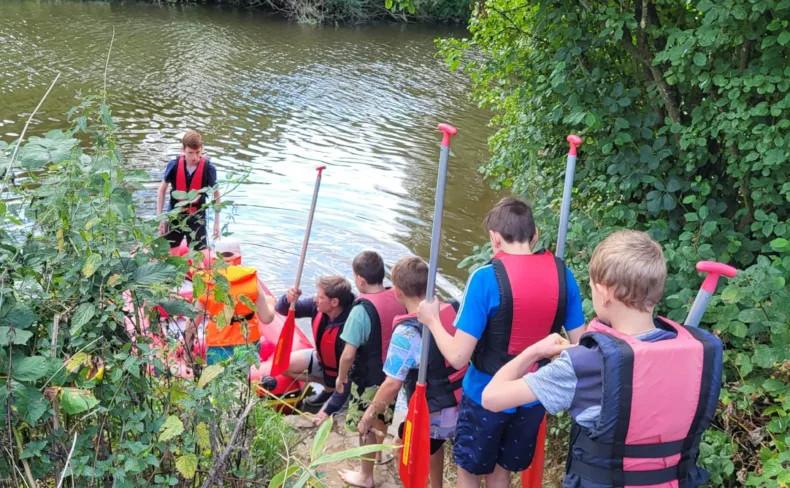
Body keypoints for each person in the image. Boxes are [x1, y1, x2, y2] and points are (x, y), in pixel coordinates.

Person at [482, 230, 724, 487]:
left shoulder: (586, 364)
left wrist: (535, 351)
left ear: (604, 292)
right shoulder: (699, 352)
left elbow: (492, 398)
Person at [417, 197, 586, 488]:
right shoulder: (564, 276)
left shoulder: (484, 278)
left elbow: (458, 357)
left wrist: (432, 320)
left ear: (495, 238)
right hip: (533, 393)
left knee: (469, 470)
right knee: (502, 470)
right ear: (534, 236)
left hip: (486, 395)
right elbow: (581, 348)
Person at [353, 256, 466, 488]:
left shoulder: (407, 332)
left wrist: (368, 416)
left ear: (397, 292)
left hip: (433, 412)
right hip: (463, 404)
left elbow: (392, 385)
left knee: (399, 447)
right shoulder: (453, 308)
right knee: (434, 446)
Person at [333, 251, 406, 484]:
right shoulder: (397, 297)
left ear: (361, 279)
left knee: (364, 425)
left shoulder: (360, 311)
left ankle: (366, 475)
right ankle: (375, 454)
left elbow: (347, 355)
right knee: (381, 420)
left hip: (368, 380)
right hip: (392, 377)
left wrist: (341, 377)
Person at [273, 276, 355, 420]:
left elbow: (351, 372)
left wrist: (328, 410)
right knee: (284, 366)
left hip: (345, 374)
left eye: (320, 297)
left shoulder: (352, 323)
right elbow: (281, 309)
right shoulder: (316, 306)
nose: (315, 299)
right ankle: (327, 387)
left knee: (333, 414)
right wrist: (289, 298)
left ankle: (337, 394)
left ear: (334, 302)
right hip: (323, 362)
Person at [192, 265, 276, 365]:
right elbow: (267, 318)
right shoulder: (251, 278)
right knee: (242, 378)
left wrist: (188, 351)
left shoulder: (204, 281)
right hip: (248, 342)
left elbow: (192, 323)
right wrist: (270, 303)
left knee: (217, 378)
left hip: (218, 343)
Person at [157, 130, 219, 250]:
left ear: (202, 148)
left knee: (199, 253)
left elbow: (216, 194)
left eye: (198, 152)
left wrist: (216, 222)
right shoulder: (174, 165)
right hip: (175, 215)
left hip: (197, 216)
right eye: (190, 152)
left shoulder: (209, 168)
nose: (194, 157)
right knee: (172, 249)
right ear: (183, 149)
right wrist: (160, 218)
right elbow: (161, 190)